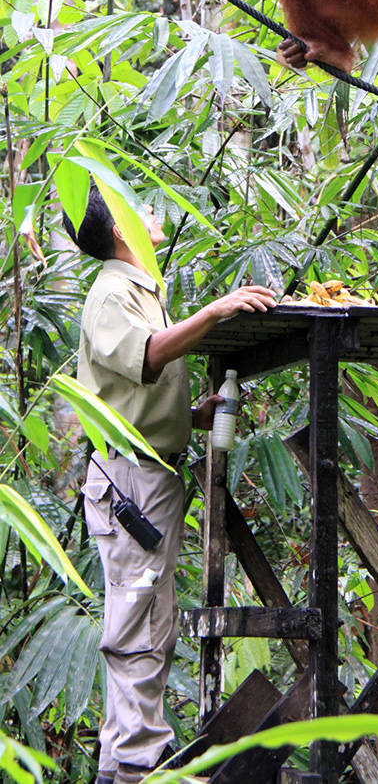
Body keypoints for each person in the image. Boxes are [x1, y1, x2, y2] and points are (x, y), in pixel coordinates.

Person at [63, 185, 276, 784]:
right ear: (122, 231)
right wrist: (214, 311)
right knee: (136, 624)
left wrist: (193, 418)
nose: (153, 213)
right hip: (130, 480)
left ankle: (121, 765)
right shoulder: (110, 292)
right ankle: (140, 765)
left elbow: (134, 394)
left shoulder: (136, 291)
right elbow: (148, 358)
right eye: (141, 208)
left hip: (148, 476)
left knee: (148, 620)